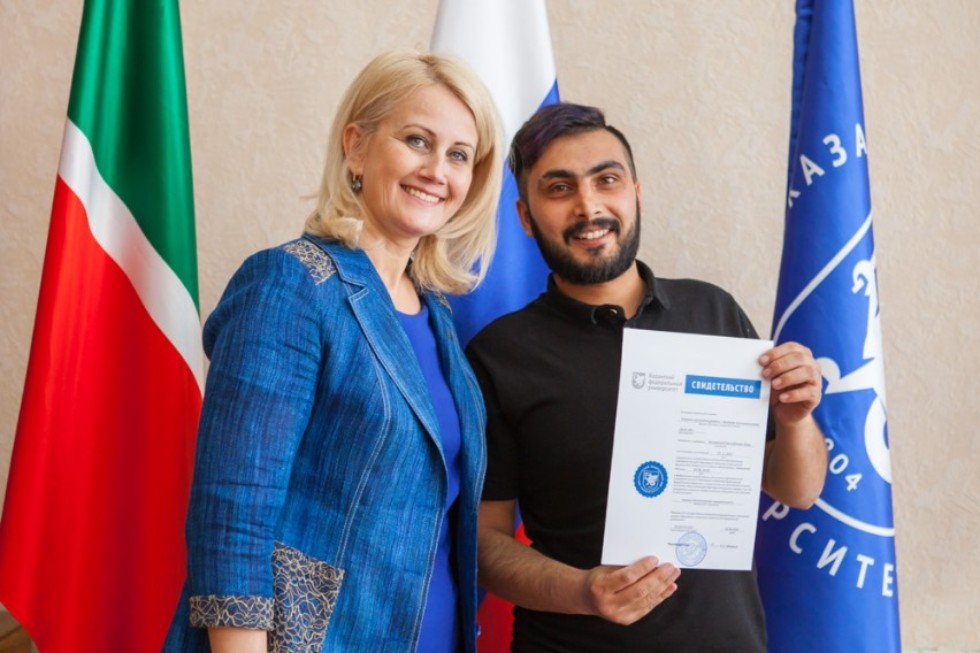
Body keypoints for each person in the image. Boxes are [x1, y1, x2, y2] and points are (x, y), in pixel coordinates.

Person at [163, 50, 503, 652]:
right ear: (356, 147)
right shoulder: (291, 283)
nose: (437, 170)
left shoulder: (437, 314)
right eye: (417, 141)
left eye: (459, 155)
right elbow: (233, 512)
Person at [466, 103, 828, 652]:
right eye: (559, 188)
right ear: (525, 216)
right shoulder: (499, 354)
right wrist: (583, 592)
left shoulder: (714, 312)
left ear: (636, 193)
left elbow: (796, 489)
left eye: (606, 180)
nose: (589, 206)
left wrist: (796, 420)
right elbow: (483, 543)